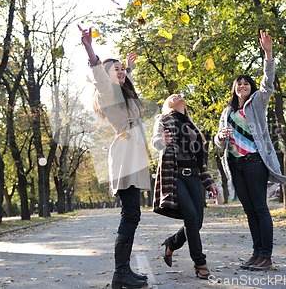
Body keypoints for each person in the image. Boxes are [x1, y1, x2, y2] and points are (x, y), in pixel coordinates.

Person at [80, 26, 150, 289]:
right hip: (125, 154)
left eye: (122, 69)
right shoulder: (106, 92)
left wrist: (127, 69)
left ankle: (124, 270)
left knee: (132, 213)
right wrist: (90, 49)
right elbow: (100, 75)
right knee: (130, 213)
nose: (121, 72)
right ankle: (120, 273)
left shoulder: (121, 93)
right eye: (116, 69)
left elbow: (120, 82)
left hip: (132, 152)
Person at [214, 30, 286, 271]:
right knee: (249, 210)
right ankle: (256, 253)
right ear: (234, 88)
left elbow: (268, 83)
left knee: (260, 207)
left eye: (246, 82)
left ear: (250, 87)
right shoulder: (227, 113)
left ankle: (266, 255)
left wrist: (268, 53)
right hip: (235, 164)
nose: (243, 85)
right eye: (239, 83)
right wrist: (220, 136)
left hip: (254, 162)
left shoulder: (257, 102)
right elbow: (218, 143)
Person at [151, 94, 219, 280]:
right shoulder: (163, 120)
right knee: (190, 215)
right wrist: (162, 141)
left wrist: (209, 182)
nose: (177, 94)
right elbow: (155, 142)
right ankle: (200, 262)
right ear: (168, 104)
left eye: (179, 94)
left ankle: (171, 243)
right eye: (172, 95)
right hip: (175, 175)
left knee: (196, 223)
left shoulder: (191, 125)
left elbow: (199, 161)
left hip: (194, 177)